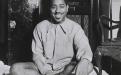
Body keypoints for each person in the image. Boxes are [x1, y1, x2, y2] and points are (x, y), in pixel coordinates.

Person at [10, 0, 95, 75]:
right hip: (43, 69)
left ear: (67, 8)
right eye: (54, 7)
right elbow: (37, 56)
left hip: (65, 69)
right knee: (15, 68)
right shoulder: (40, 27)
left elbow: (84, 49)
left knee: (89, 66)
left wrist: (84, 61)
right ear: (49, 9)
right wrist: (45, 71)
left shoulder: (75, 28)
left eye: (61, 7)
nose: (57, 11)